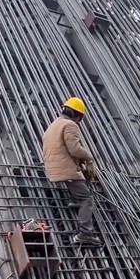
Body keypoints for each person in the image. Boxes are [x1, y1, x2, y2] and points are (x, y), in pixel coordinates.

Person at [41, 96, 101, 247]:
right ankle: (85, 234)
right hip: (65, 170)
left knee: (81, 180)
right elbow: (74, 149)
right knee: (87, 199)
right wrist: (89, 157)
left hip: (52, 169)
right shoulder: (70, 125)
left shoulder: (53, 125)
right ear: (78, 115)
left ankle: (75, 201)